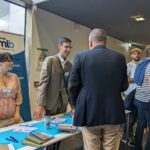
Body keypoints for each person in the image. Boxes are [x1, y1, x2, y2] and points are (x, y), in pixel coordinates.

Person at [68, 28, 128, 150]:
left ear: (90, 42)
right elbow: (124, 86)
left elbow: (72, 86)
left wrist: (75, 106)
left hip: (88, 112)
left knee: (91, 147)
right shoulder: (120, 58)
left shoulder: (80, 56)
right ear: (105, 42)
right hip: (113, 112)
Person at [34, 37, 72, 120]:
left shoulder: (69, 65)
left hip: (63, 104)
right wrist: (40, 104)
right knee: (48, 126)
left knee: (61, 126)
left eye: (70, 47)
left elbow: (69, 86)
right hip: (50, 104)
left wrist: (72, 105)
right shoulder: (50, 60)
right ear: (59, 47)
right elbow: (43, 83)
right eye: (66, 47)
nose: (68, 49)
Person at [122, 47, 141, 146]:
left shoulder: (142, 65)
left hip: (140, 94)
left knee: (136, 117)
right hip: (129, 94)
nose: (136, 55)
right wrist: (138, 78)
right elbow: (126, 79)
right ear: (131, 55)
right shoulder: (128, 65)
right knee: (129, 117)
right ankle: (126, 135)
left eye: (138, 53)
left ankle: (130, 134)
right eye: (134, 53)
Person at [134, 45, 150, 150]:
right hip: (148, 100)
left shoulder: (141, 64)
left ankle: (137, 148)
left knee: (140, 125)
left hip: (139, 98)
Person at [0, 52, 23, 127]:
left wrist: (17, 113)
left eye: (12, 61)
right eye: (9, 61)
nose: (12, 63)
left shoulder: (14, 77)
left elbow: (18, 98)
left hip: (14, 119)